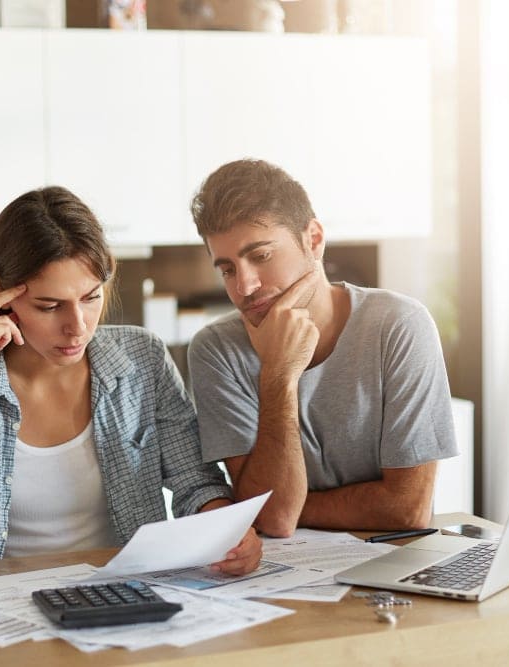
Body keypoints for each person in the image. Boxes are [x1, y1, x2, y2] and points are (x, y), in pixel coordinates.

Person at [0, 185, 261, 573]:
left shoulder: (142, 358)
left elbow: (196, 484)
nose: (77, 328)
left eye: (90, 297)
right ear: (0, 292)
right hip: (3, 606)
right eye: (50, 306)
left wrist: (228, 531)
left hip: (126, 593)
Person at [187, 159, 458, 537]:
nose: (244, 286)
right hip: (276, 579)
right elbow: (274, 521)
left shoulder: (399, 325)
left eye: (261, 256)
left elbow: (408, 510)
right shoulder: (216, 350)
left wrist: (288, 503)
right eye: (228, 269)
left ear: (313, 240)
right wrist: (279, 376)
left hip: (392, 565)